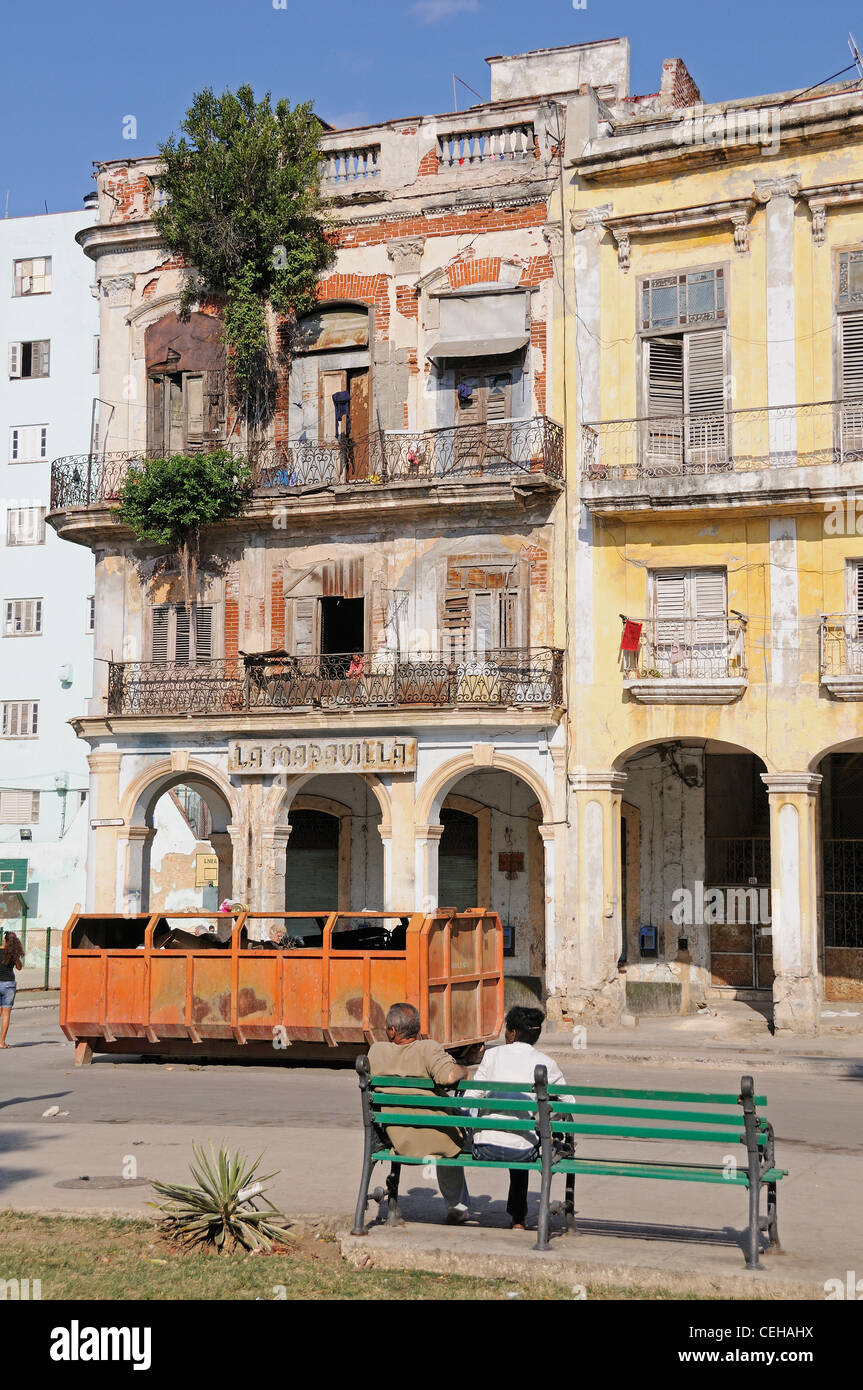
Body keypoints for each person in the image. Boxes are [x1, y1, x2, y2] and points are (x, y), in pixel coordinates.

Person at [467, 1005, 570, 1231]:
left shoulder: (492, 1056)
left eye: (506, 1030)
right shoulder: (546, 1063)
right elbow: (569, 1102)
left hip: (485, 1148)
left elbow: (468, 1099)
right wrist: (546, 1114)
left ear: (512, 1033)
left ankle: (457, 1207)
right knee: (523, 1139)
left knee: (512, 1133)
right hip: (523, 1153)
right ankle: (518, 1220)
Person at [368, 1002, 471, 1224]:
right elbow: (449, 1077)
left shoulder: (376, 1052)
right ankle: (457, 1206)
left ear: (392, 1031)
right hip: (439, 1139)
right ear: (417, 1029)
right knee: (453, 1134)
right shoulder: (428, 1049)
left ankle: (452, 1205)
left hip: (399, 1139)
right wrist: (464, 1069)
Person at [0, 931, 24, 1049]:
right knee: (6, 1014)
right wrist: (16, 958)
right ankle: (2, 1042)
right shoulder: (13, 954)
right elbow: (19, 968)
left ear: (4, 940)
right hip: (9, 985)